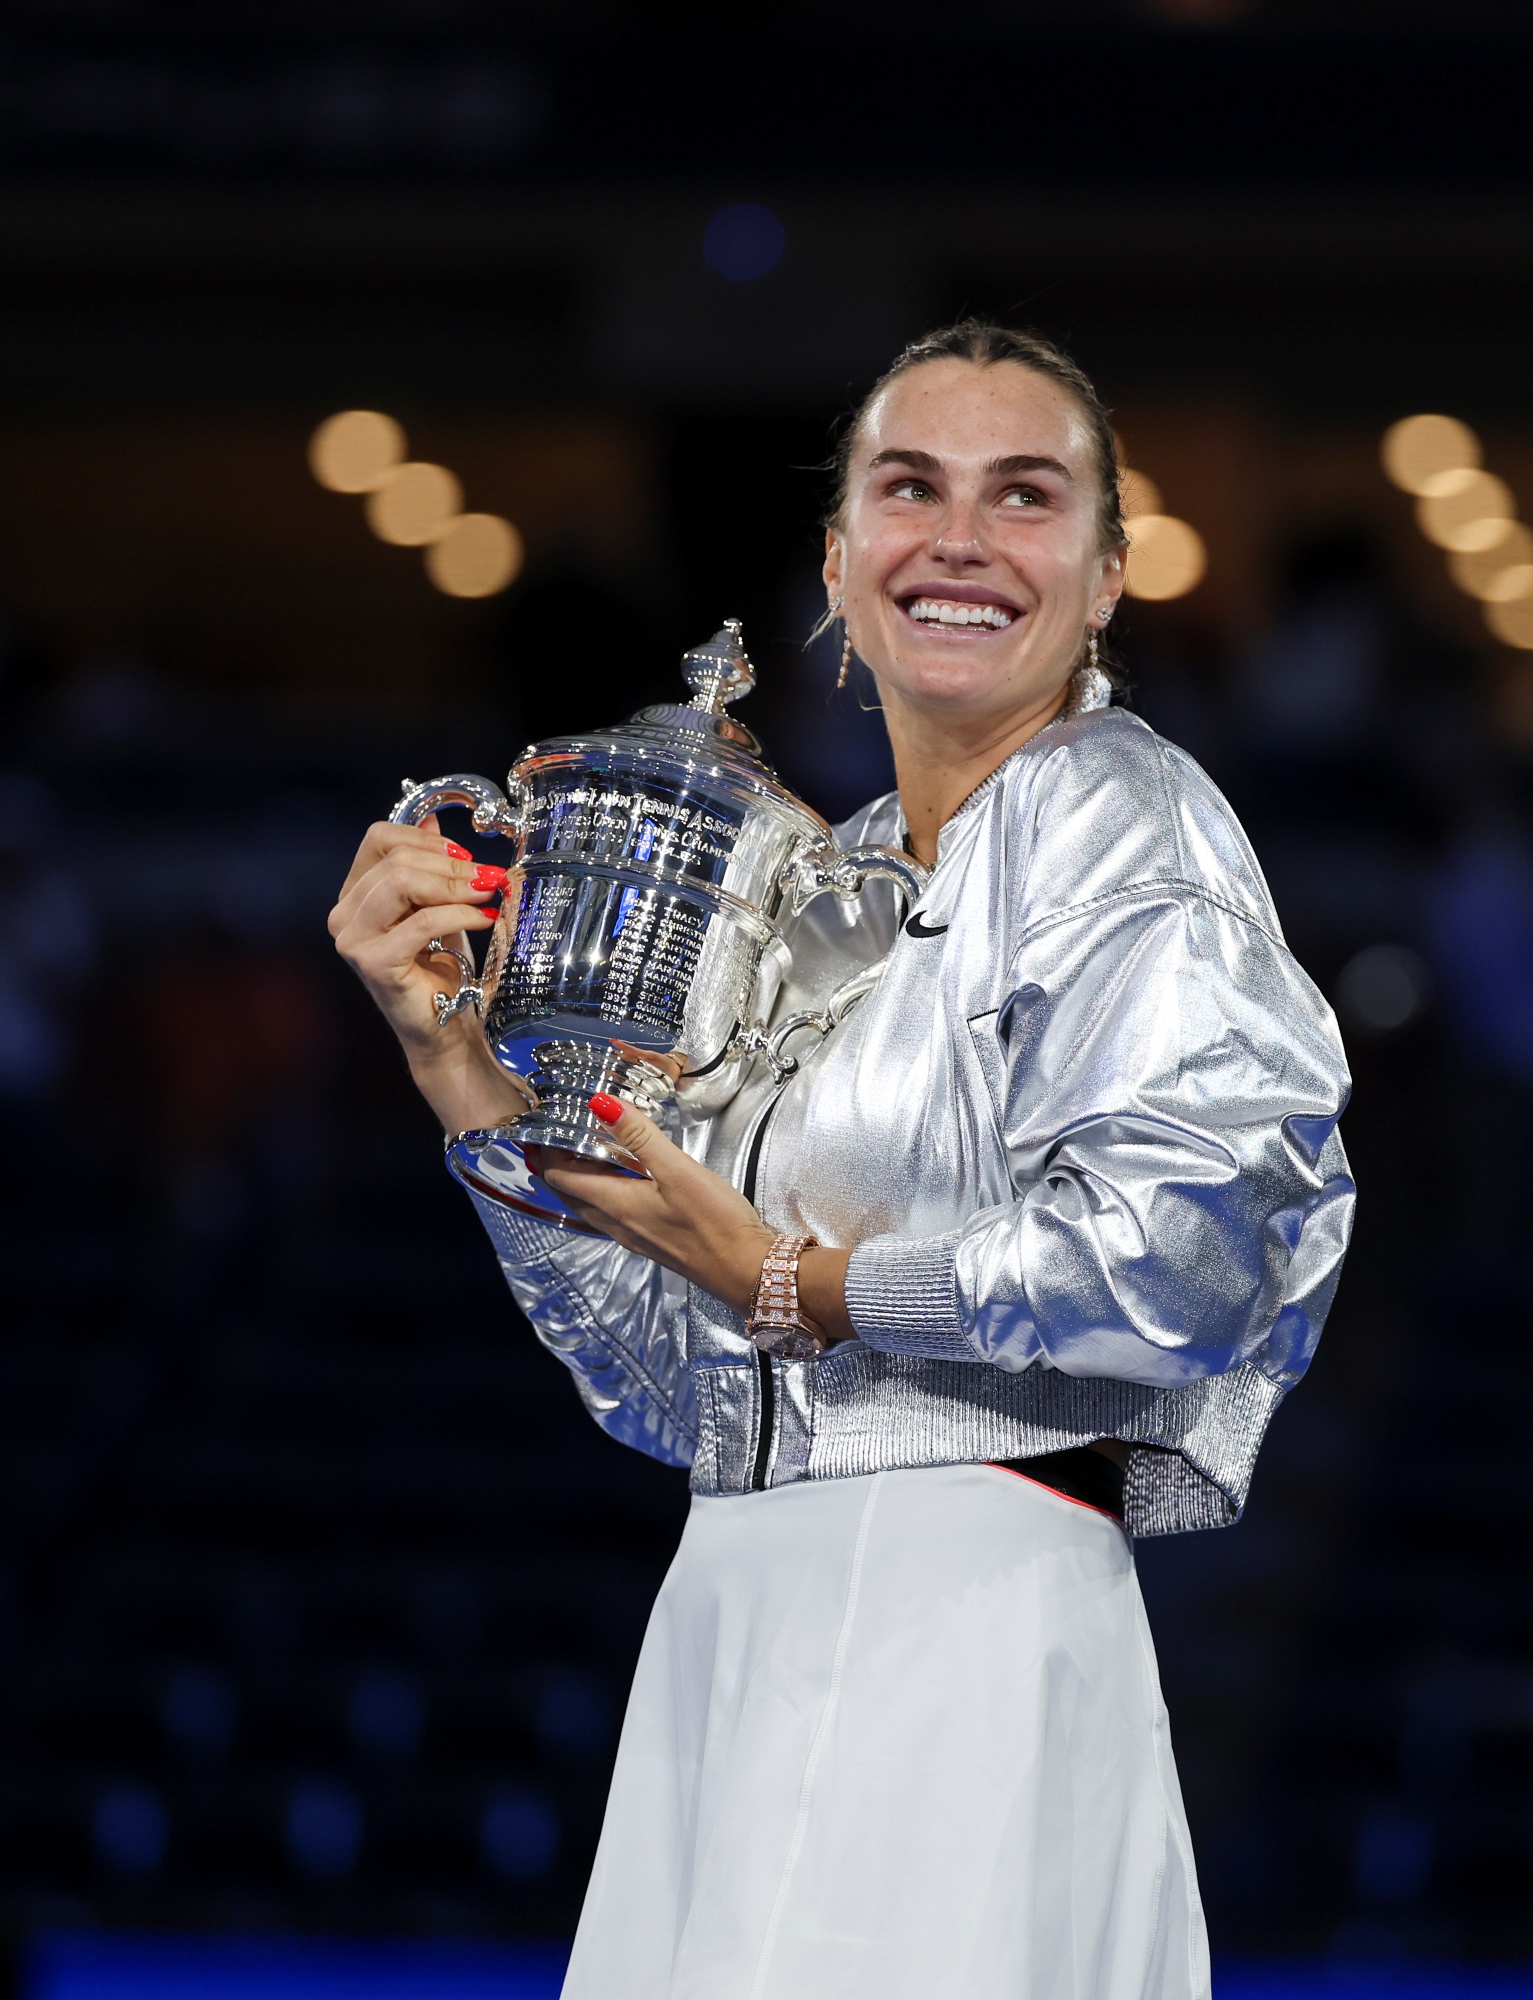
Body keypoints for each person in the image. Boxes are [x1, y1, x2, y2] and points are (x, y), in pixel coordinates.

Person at [329, 322, 1356, 1998]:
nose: (957, 537)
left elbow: (1186, 1254)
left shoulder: (1119, 809)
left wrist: (810, 1281)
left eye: (1023, 497)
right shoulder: (829, 878)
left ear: (1106, 578)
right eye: (910, 488)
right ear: (838, 564)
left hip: (955, 1611)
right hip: (746, 1603)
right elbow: (682, 1384)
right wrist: (450, 1056)